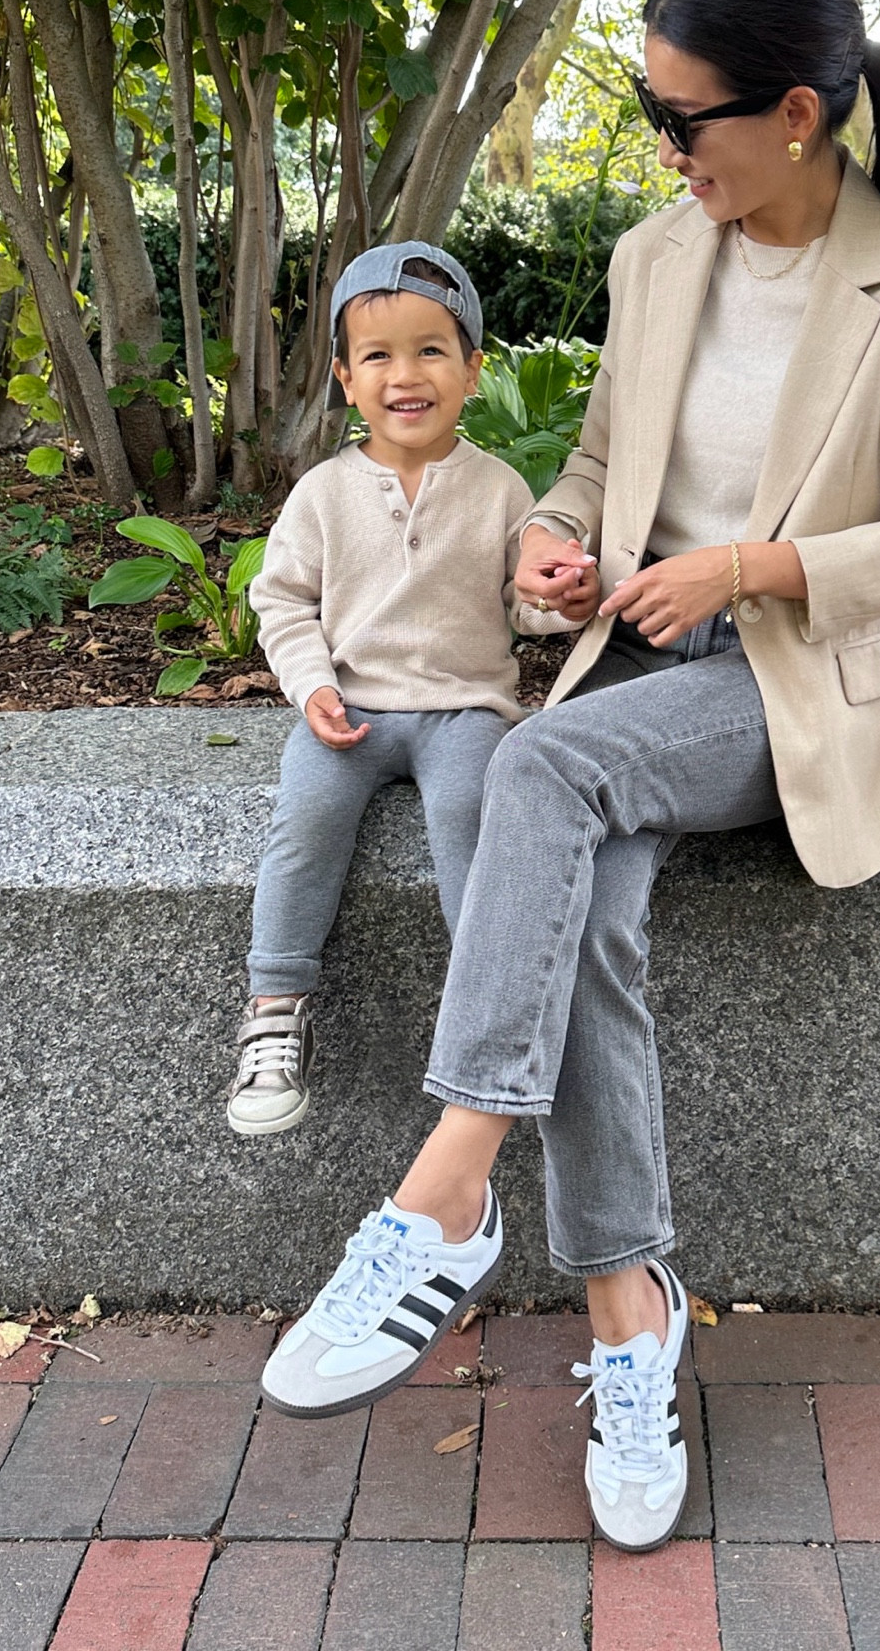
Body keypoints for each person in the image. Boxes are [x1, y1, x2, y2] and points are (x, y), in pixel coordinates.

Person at [260, 0, 880, 1553]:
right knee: (578, 889)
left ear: (795, 113)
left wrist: (745, 565)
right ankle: (623, 1317)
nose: (665, 153)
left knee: (541, 767)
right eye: (651, 117)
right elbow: (602, 469)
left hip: (791, 678)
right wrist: (560, 546)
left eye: (686, 123)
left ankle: (440, 1191)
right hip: (633, 655)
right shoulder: (660, 259)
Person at [228, 242, 574, 1136]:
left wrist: (555, 601)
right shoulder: (322, 492)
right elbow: (283, 600)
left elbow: (522, 604)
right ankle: (274, 1006)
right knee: (304, 823)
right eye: (378, 355)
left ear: (472, 370)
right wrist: (309, 688)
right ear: (346, 379)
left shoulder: (501, 490)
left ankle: (491, 1032)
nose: (405, 374)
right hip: (350, 711)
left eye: (430, 350)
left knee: (475, 819)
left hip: (465, 708)